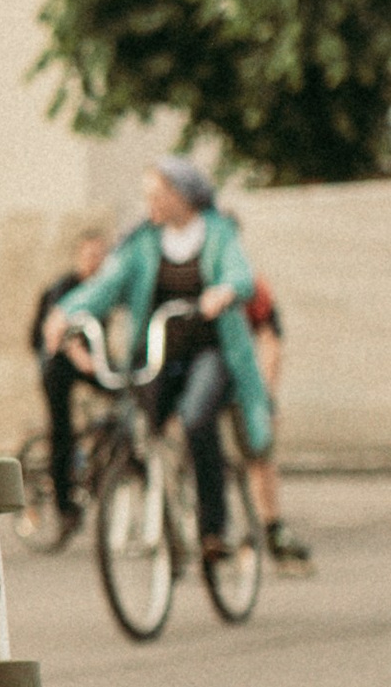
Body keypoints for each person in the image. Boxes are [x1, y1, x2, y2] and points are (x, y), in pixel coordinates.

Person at [44, 157, 271, 561]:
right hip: (157, 352)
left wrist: (223, 292)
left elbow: (241, 274)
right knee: (137, 425)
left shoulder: (216, 233)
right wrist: (65, 312)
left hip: (210, 350)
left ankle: (213, 531)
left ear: (179, 195)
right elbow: (106, 285)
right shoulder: (144, 242)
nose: (148, 201)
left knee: (197, 418)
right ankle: (160, 506)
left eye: (155, 193)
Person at [29, 226, 110, 529]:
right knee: (62, 430)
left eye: (100, 256)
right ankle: (64, 507)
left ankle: (105, 448)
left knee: (123, 392)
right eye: (90, 255)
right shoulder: (65, 286)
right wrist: (83, 360)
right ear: (79, 256)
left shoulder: (102, 288)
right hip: (58, 364)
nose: (95, 261)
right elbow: (60, 334)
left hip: (89, 362)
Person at [243, 278, 313, 569]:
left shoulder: (248, 284)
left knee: (259, 450)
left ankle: (272, 529)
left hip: (240, 378)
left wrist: (266, 398)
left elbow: (270, 341)